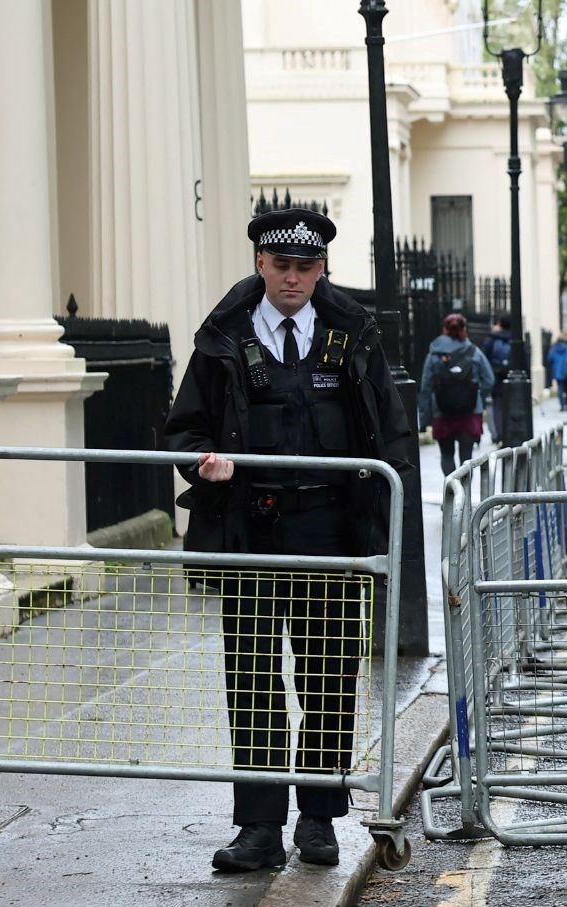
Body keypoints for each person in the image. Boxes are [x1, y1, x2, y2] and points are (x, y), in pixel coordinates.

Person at [164, 207, 413, 872]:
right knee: (252, 682)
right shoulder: (224, 337)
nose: (293, 277)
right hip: (251, 527)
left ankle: (319, 818)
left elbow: (391, 432)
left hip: (332, 531)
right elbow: (183, 429)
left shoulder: (352, 334)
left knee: (329, 677)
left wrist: (392, 525)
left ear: (322, 268)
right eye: (282, 265)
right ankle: (258, 828)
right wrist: (203, 460)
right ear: (260, 264)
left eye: (306, 266)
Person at [418, 313, 495, 476]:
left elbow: (425, 387)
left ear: (444, 329)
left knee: (446, 455)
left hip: (441, 411)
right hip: (470, 412)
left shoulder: (434, 354)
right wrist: (478, 399)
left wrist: (424, 420)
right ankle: (464, 497)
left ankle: (452, 495)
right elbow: (489, 379)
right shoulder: (474, 352)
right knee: (466, 458)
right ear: (464, 328)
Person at [481, 315, 513, 442]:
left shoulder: (491, 339)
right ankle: (510, 431)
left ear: (499, 324)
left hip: (496, 377)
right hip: (512, 377)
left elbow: (484, 359)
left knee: (497, 407)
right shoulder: (515, 338)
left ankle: (500, 434)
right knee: (510, 405)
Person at [548, 334, 567, 411]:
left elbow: (549, 358)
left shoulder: (553, 349)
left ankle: (562, 405)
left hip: (557, 372)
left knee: (560, 389)